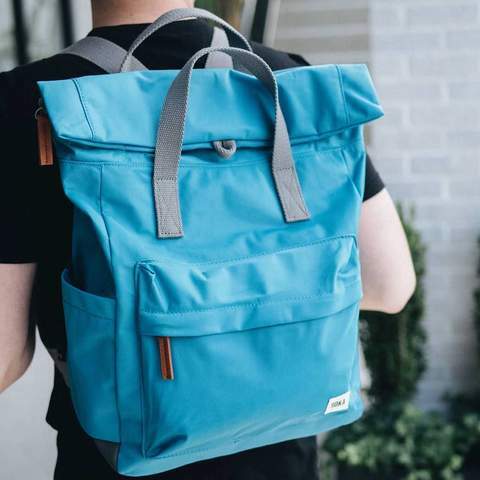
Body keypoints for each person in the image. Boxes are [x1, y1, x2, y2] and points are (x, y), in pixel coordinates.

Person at [0, 0, 416, 478]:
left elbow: (5, 356)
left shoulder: (25, 101)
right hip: (284, 457)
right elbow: (391, 286)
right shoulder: (285, 81)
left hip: (117, 456)